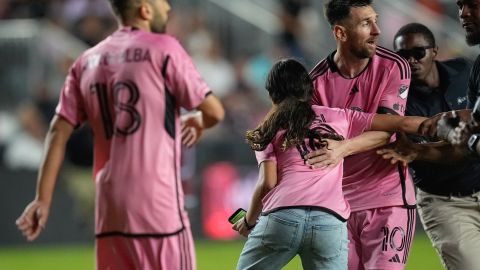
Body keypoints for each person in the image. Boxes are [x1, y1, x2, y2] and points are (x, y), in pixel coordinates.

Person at [15, 1, 225, 269]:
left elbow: (57, 131)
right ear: (145, 9)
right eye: (162, 2)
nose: (169, 7)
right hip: (158, 205)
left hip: (110, 210)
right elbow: (215, 111)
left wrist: (42, 199)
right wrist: (200, 120)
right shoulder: (164, 48)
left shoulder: (86, 61)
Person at [233, 58, 426, 270]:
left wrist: (249, 222)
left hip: (282, 216)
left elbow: (267, 183)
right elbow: (400, 123)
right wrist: (437, 123)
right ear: (308, 89)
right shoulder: (338, 117)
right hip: (329, 221)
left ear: (271, 94)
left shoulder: (268, 128)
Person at [305, 1, 415, 269]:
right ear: (340, 33)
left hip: (388, 199)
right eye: (366, 23)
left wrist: (343, 147)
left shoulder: (394, 66)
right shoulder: (315, 83)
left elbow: (390, 128)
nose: (377, 30)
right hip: (337, 207)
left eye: (375, 20)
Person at [392, 22, 480, 270]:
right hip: (446, 202)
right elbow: (430, 154)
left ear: (434, 51)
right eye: (402, 57)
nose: (411, 61)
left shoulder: (464, 70)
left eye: (418, 53)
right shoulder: (397, 104)